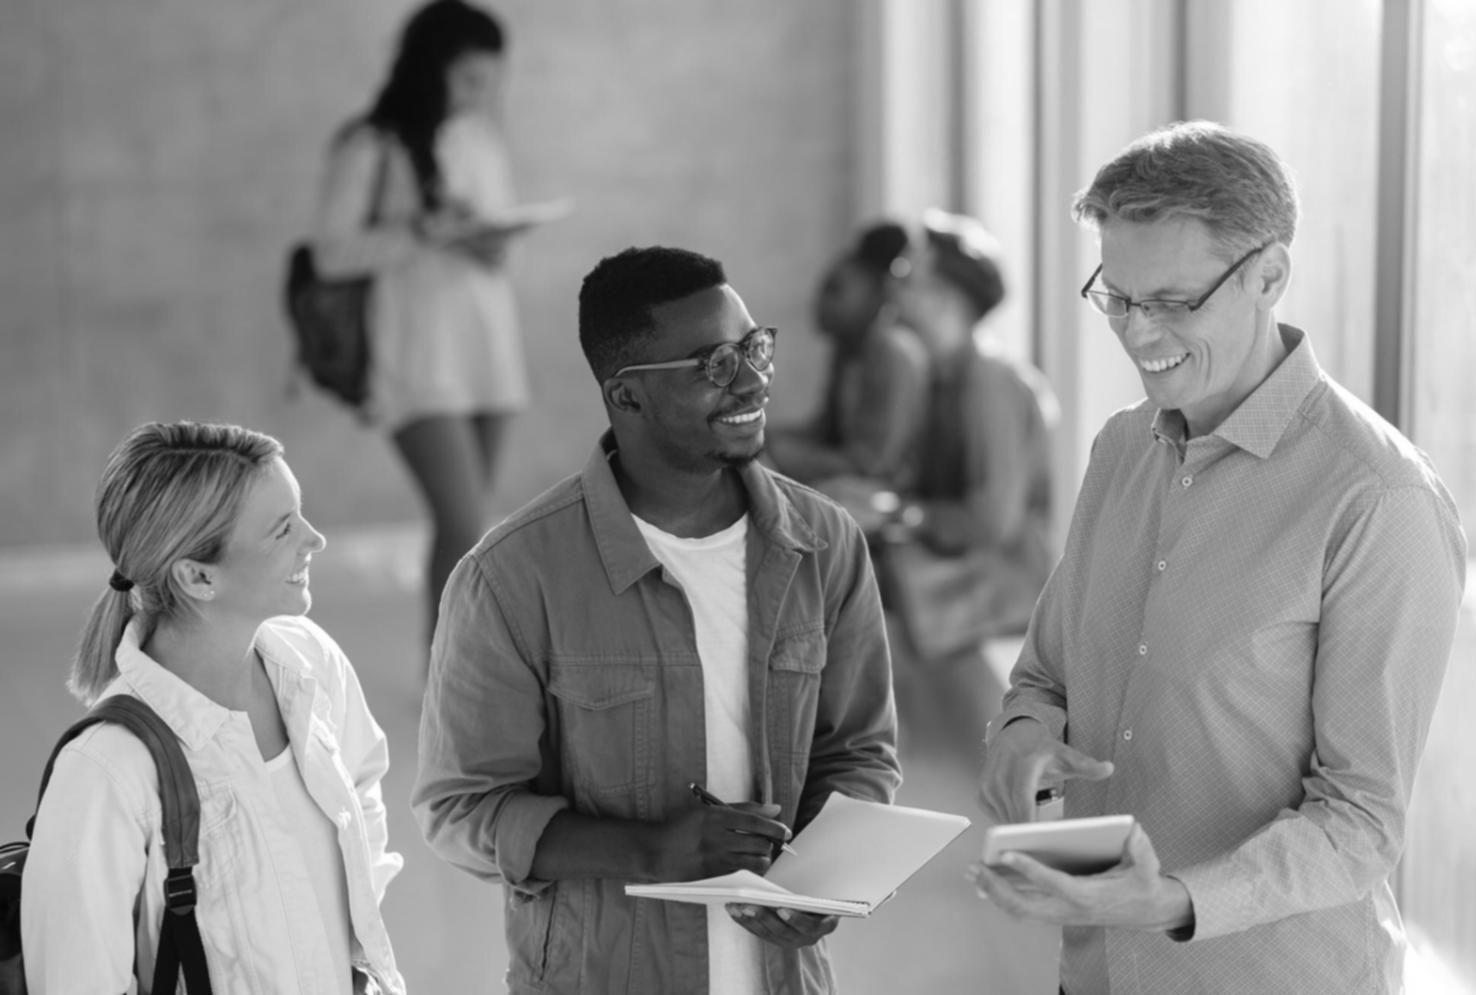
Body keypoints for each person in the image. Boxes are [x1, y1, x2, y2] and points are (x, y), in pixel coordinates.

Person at [973, 121, 1466, 994]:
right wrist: (1020, 737)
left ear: (1268, 274)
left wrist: (1165, 900)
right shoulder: (1120, 449)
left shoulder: (1377, 500)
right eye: (1116, 297)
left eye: (1171, 301)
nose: (1136, 332)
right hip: (1093, 972)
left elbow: (1359, 823)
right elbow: (1047, 675)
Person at [413, 246, 901, 993]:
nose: (752, 378)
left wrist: (826, 878)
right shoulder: (510, 575)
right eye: (712, 364)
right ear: (627, 396)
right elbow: (461, 809)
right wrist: (645, 850)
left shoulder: (824, 543)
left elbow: (858, 753)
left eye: (753, 347)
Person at [22, 421, 406, 994]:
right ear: (198, 576)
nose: (314, 539)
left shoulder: (311, 666)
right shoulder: (106, 774)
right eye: (282, 530)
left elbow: (363, 792)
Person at [311, 0, 534, 649]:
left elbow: (497, 250)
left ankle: (448, 671)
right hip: (416, 356)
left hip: (487, 349)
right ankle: (454, 679)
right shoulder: (369, 145)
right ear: (428, 69)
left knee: (465, 527)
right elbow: (331, 253)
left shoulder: (479, 140)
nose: (482, 93)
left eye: (491, 78)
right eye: (469, 79)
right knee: (463, 520)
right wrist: (418, 230)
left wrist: (487, 240)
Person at [823, 210, 1056, 670]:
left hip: (1002, 582)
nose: (892, 286)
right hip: (955, 566)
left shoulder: (990, 382)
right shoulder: (940, 376)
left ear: (945, 298)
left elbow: (993, 522)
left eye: (907, 275)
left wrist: (899, 514)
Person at [767, 220, 930, 487]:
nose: (820, 303)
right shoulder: (847, 349)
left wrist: (788, 455)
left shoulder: (894, 353)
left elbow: (875, 464)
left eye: (835, 290)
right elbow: (825, 432)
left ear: (877, 291)